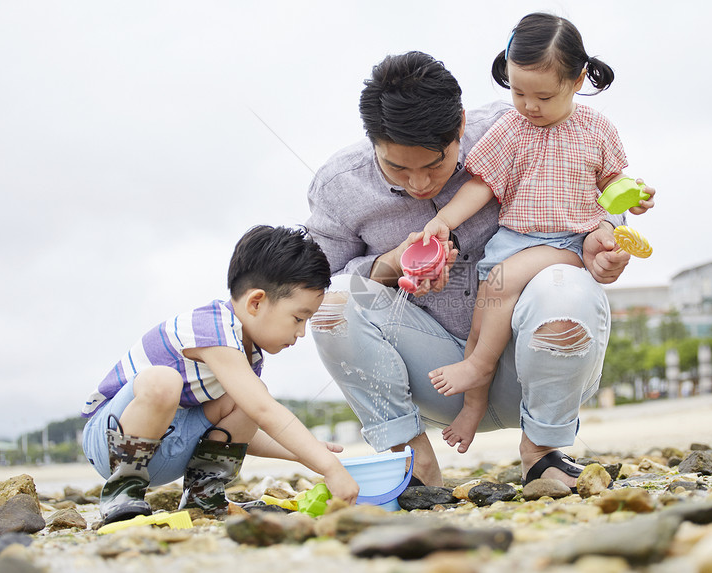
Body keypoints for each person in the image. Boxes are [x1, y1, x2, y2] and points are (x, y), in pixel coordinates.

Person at [306, 49, 634, 490]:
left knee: (565, 284)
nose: (419, 184)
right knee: (333, 303)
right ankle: (411, 461)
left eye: (435, 163)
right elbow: (312, 285)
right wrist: (390, 266)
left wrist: (606, 236)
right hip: (435, 378)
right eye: (397, 168)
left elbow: (596, 190)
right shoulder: (339, 185)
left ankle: (542, 452)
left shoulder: (517, 128)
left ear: (460, 125)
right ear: (373, 142)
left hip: (537, 356)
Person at [421, 13, 654, 453]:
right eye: (518, 91)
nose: (529, 105)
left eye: (543, 96)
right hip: (516, 238)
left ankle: (478, 368)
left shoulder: (596, 129)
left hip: (572, 242)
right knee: (482, 314)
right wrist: (444, 222)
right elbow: (482, 184)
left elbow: (613, 183)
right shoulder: (510, 129)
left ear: (578, 78)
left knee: (502, 285)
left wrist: (632, 196)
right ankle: (472, 405)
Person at [81, 225, 359, 525]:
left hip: (168, 452)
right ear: (256, 302)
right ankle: (121, 492)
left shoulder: (247, 357)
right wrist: (330, 467)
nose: (301, 332)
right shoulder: (212, 329)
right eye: (298, 318)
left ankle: (203, 496)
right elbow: (265, 410)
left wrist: (307, 452)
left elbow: (247, 430)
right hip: (112, 443)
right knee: (165, 381)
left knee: (246, 399)